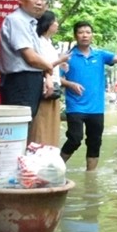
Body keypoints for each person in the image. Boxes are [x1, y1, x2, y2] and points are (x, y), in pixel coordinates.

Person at [59, 22, 117, 170]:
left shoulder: (100, 55)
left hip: (96, 108)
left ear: (92, 35)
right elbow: (56, 78)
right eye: (81, 32)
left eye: (88, 32)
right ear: (75, 35)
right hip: (75, 106)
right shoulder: (67, 57)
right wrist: (70, 84)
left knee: (95, 142)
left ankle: (90, 176)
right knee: (75, 138)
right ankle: (57, 167)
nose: (85, 35)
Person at [0, 0, 64, 119]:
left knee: (24, 123)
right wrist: (49, 67)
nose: (39, 2)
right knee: (17, 124)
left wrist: (47, 73)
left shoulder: (30, 23)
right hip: (20, 81)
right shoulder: (18, 20)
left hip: (29, 80)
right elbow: (31, 57)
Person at [31, 10, 64, 145]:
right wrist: (60, 60)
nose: (57, 24)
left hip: (53, 88)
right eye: (55, 21)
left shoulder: (48, 42)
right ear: (48, 24)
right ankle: (38, 152)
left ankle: (48, 152)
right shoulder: (39, 42)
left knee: (51, 124)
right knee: (42, 125)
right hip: (46, 88)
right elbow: (44, 65)